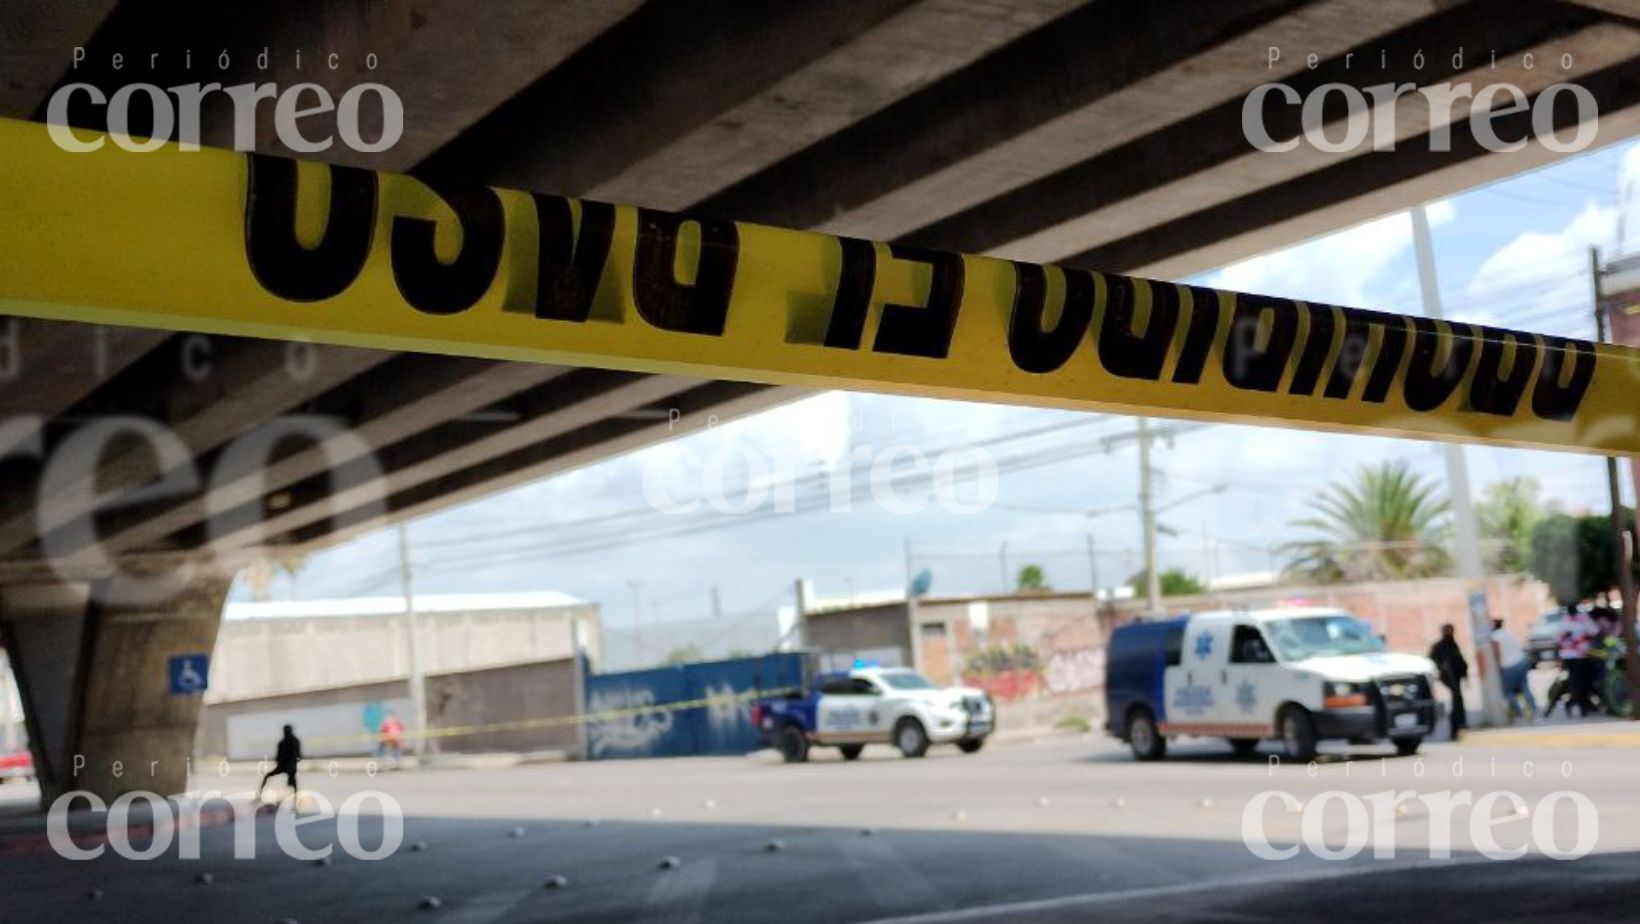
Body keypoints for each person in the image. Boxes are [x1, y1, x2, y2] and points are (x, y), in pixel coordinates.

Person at [1491, 619, 1536, 722]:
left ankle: (1518, 713)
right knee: (1524, 686)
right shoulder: (1508, 633)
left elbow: (1497, 653)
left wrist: (1497, 668)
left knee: (1509, 692)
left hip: (1508, 665)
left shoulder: (1495, 637)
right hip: (1521, 661)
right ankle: (1532, 709)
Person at [1428, 623, 1468, 739]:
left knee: (1458, 701)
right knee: (1456, 702)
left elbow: (1459, 660)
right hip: (1448, 678)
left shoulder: (1453, 644)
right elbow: (1432, 660)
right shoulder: (1439, 646)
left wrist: (1465, 673)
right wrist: (1442, 668)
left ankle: (1460, 725)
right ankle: (1455, 728)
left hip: (1456, 677)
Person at [1559, 607, 1599, 717]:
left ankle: (1581, 705)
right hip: (1575, 656)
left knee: (1580, 682)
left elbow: (1594, 631)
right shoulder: (1569, 621)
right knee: (1578, 683)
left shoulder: (1568, 621)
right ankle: (1581, 706)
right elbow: (1594, 631)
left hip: (1579, 656)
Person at [256, 725, 302, 801]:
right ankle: (295, 799)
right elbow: (297, 756)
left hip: (287, 766)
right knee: (293, 783)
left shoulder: (284, 742)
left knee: (292, 783)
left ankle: (296, 800)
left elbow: (280, 756)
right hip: (288, 766)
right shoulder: (290, 741)